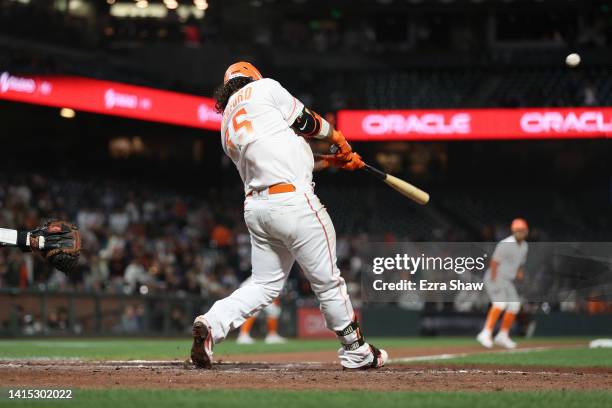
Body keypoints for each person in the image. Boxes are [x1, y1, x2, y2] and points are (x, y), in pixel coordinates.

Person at [190, 61, 387, 369]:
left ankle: (212, 323)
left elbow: (282, 156)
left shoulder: (226, 121)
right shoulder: (265, 87)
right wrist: (336, 138)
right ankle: (356, 350)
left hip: (258, 209)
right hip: (294, 204)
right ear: (252, 77)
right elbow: (308, 122)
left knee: (263, 284)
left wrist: (331, 162)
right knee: (327, 281)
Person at [476, 218, 529, 349]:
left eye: (522, 230)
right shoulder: (506, 243)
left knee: (514, 306)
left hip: (507, 280)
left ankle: (502, 335)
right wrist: (494, 280)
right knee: (500, 304)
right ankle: (486, 333)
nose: (520, 233)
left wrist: (519, 272)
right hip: (496, 276)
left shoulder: (524, 246)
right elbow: (494, 262)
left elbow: (520, 264)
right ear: (513, 231)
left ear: (526, 231)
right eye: (518, 230)